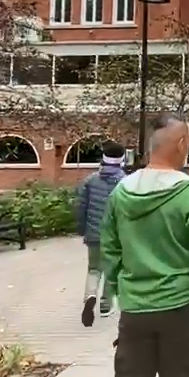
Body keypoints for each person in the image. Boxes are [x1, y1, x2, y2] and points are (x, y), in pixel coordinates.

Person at [93, 113, 189, 377]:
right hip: (182, 305)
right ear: (181, 144)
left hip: (136, 307)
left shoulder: (121, 193)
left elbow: (109, 249)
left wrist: (123, 287)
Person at [76, 140, 127, 327]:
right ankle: (106, 305)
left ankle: (90, 296)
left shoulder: (90, 180)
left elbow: (81, 207)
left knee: (93, 269)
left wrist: (82, 228)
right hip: (116, 235)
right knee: (112, 269)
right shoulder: (125, 182)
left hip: (94, 233)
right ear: (121, 160)